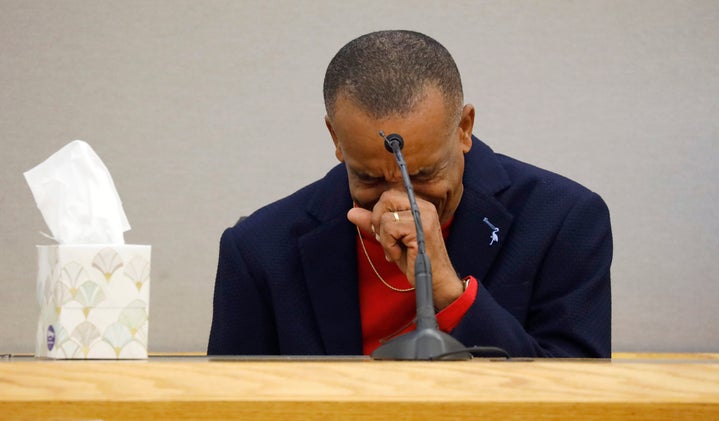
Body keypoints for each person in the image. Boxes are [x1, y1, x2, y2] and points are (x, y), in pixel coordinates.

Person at [208, 30, 612, 358]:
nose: (398, 199)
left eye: (423, 174)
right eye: (369, 178)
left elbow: (578, 396)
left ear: (465, 128)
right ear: (335, 138)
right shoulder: (259, 249)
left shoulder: (563, 220)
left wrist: (449, 291)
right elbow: (229, 402)